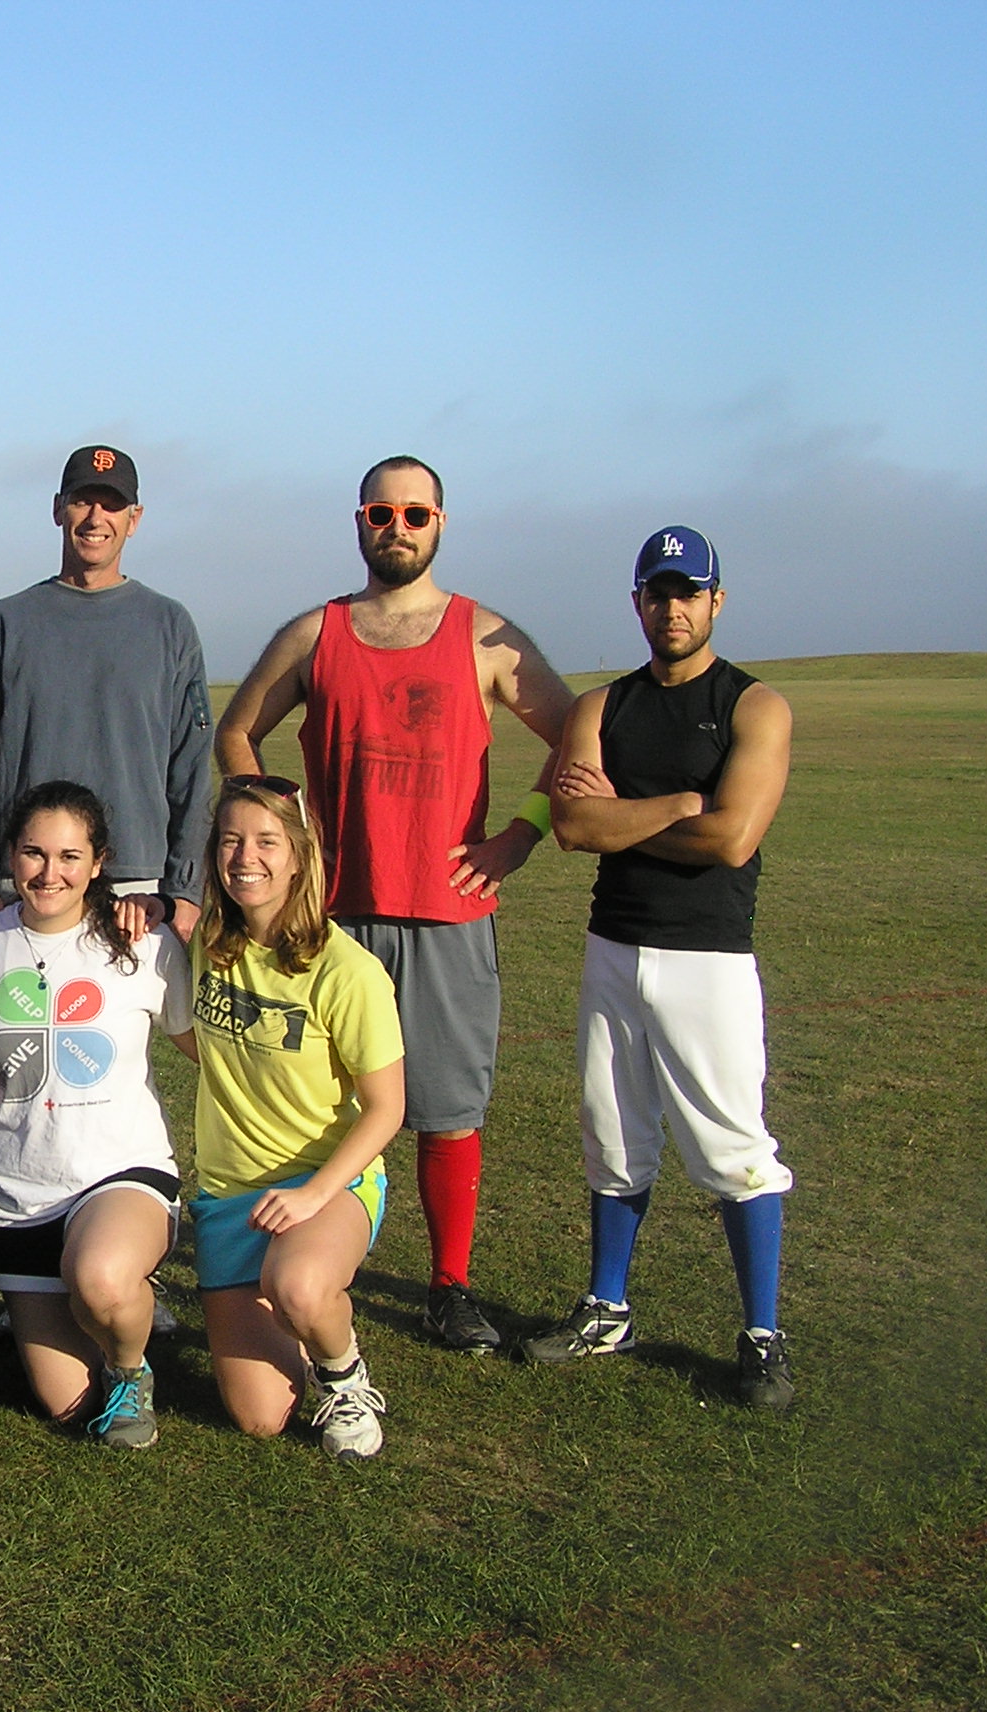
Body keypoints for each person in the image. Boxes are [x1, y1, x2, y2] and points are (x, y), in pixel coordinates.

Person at [217, 457, 575, 1354]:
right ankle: (304, 1265)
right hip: (333, 919)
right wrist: (274, 829)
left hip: (447, 913)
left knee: (447, 1108)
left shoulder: (487, 638)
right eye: (382, 511)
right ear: (360, 522)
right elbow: (236, 729)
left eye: (415, 512)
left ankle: (448, 1286)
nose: (398, 525)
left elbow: (580, 736)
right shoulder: (316, 633)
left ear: (441, 522)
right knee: (325, 1103)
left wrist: (518, 838)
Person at [531, 526, 798, 1409]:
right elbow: (574, 828)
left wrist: (635, 813)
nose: (672, 608)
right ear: (637, 601)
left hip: (709, 957)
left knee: (733, 1146)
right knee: (612, 1135)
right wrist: (682, 801)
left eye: (690, 593)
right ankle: (608, 1306)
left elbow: (732, 838)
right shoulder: (602, 708)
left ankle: (762, 1336)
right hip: (615, 944)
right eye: (658, 592)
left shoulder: (755, 706)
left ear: (717, 601)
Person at [0, 781, 193, 1448]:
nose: (51, 873)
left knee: (99, 1276)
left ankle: (131, 1364)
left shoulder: (143, 941)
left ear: (99, 862)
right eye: (34, 853)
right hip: (19, 1196)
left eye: (71, 857)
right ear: (10, 857)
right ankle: (113, 1305)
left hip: (120, 1173)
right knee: (68, 1405)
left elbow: (205, 1045)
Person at [187, 777, 407, 1459]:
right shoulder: (208, 945)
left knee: (301, 1287)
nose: (245, 857)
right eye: (230, 840)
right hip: (228, 1198)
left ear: (299, 856)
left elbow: (388, 1108)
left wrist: (315, 1194)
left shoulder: (348, 971)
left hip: (324, 1184)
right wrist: (147, 904)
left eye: (266, 842)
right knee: (258, 1419)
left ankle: (344, 1376)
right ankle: (291, 1323)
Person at [0, 445, 213, 937]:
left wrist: (183, 892)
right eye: (82, 501)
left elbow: (192, 766)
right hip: (31, 880)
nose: (96, 518)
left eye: (112, 504)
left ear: (134, 518)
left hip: (137, 889)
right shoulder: (7, 622)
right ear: (58, 508)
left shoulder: (169, 625)